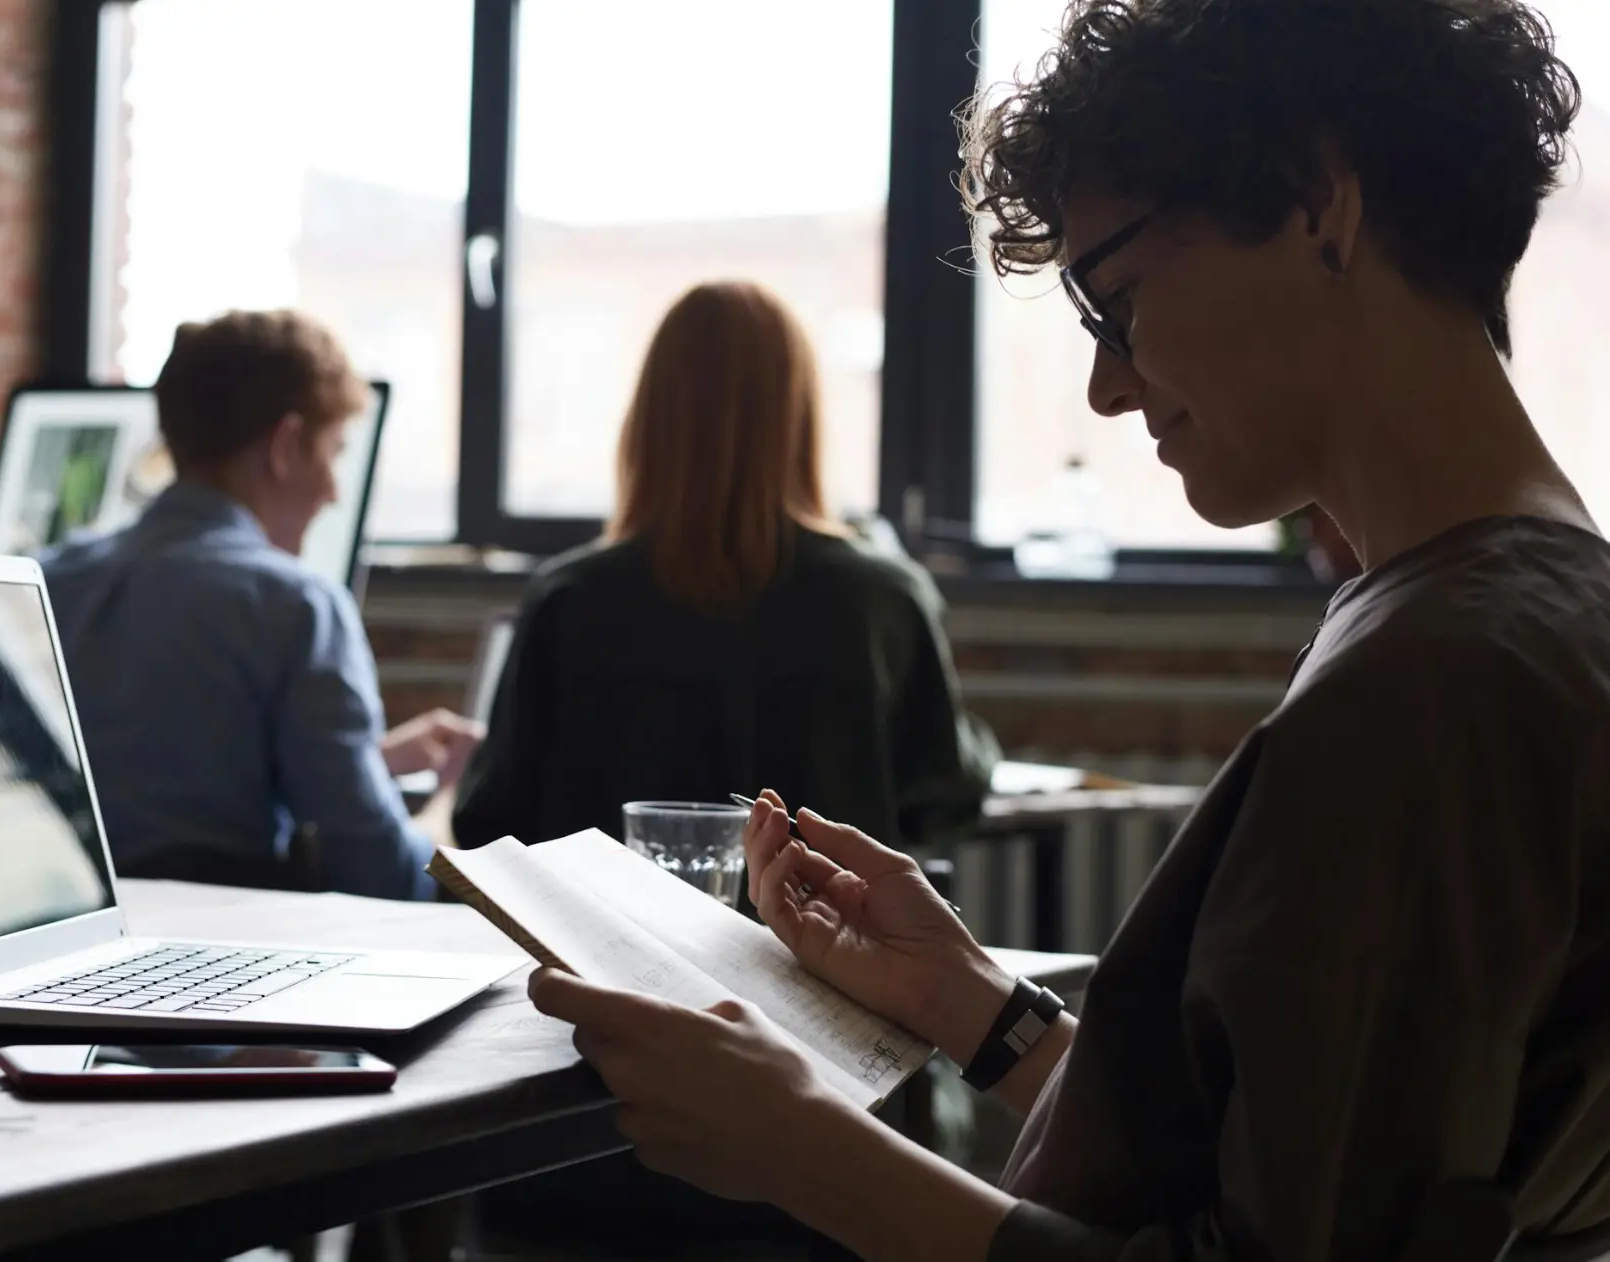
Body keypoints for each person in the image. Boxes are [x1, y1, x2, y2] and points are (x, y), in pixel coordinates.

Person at [528, 1, 1610, 1257]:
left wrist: (801, 1147)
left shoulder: (1435, 687)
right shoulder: (1528, 612)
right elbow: (1302, 1167)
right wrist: (967, 998)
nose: (1104, 385)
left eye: (1117, 300)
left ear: (1321, 200)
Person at [453, 280, 998, 852]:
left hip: (608, 939)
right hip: (819, 939)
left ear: (650, 418)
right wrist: (978, 747)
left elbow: (490, 819)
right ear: (801, 419)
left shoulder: (569, 597)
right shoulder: (885, 596)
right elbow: (943, 795)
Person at [43, 310, 479, 900]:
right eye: (332, 452)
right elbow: (381, 874)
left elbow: (167, 778)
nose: (333, 491)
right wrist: (444, 810)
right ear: (286, 444)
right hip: (221, 949)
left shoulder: (51, 579)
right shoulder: (296, 606)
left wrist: (366, 763)